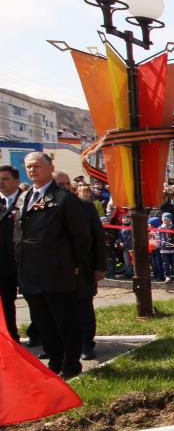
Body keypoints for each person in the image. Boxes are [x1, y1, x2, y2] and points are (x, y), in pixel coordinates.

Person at [15, 152, 91, 378]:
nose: (32, 170)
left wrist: (74, 263)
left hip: (57, 270)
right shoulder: (24, 197)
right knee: (43, 321)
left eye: (37, 166)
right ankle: (54, 360)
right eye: (29, 166)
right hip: (30, 271)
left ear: (50, 168)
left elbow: (81, 236)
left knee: (64, 321)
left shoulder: (64, 198)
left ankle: (71, 364)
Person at [76, 181, 108, 361]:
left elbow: (97, 237)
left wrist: (99, 266)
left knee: (83, 307)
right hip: (54, 270)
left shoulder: (86, 208)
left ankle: (86, 344)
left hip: (83, 267)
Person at [0, 165, 26, 341]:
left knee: (37, 301)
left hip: (26, 261)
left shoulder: (27, 200)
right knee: (6, 302)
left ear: (17, 181)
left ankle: (40, 335)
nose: (1, 183)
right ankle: (11, 337)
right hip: (3, 264)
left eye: (5, 179)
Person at [158, 213, 174, 282]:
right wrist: (160, 243)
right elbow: (157, 238)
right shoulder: (159, 228)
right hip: (164, 250)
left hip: (173, 249)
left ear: (170, 220)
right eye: (164, 219)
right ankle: (167, 276)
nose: (166, 221)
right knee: (166, 264)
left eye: (167, 220)